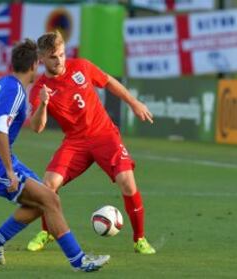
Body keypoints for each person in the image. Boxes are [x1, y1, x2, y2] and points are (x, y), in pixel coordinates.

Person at [0, 38, 109, 272]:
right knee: (51, 200)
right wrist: (9, 171)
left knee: (44, 201)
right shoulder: (15, 92)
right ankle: (79, 261)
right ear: (34, 66)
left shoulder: (3, 83)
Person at [27, 31, 156, 254]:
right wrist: (43, 105)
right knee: (48, 185)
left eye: (62, 54)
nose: (59, 61)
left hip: (104, 135)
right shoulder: (40, 89)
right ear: (41, 59)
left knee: (127, 181)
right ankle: (47, 232)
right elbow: (37, 128)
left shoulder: (82, 67)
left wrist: (133, 103)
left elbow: (109, 82)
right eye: (53, 57)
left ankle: (140, 239)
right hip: (75, 142)